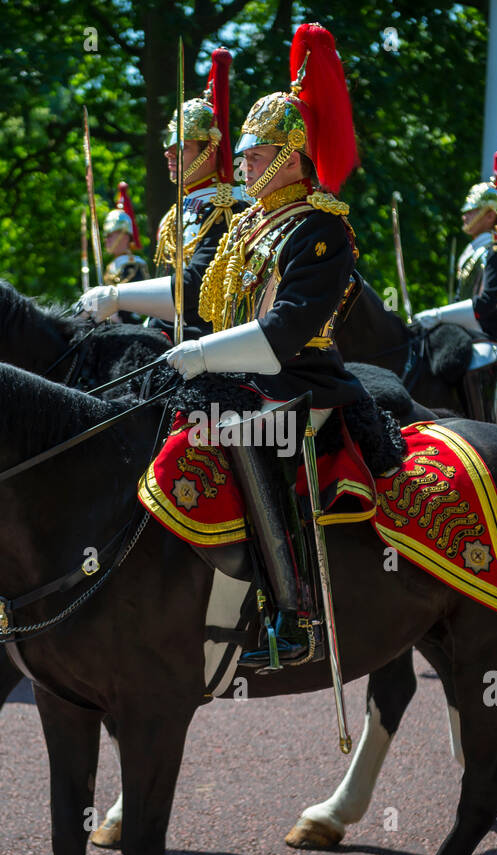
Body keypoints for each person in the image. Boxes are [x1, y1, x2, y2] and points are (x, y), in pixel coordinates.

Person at [138, 24, 367, 667]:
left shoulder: (322, 229)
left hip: (303, 380)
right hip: (250, 374)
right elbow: (206, 305)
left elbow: (287, 329)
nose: (243, 167)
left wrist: (204, 356)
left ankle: (292, 614)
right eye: (242, 156)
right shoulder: (247, 225)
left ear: (292, 157)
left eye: (256, 158)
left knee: (241, 433)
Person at [80, 48, 250, 339]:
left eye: (181, 147)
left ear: (210, 150)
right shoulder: (178, 212)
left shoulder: (228, 207)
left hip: (207, 339)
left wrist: (119, 296)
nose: (168, 153)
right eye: (170, 145)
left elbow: (197, 290)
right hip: (165, 332)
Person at [411, 152, 497, 422]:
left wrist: (437, 315)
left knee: (478, 362)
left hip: (490, 333)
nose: (464, 215)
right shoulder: (473, 251)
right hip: (467, 330)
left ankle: (484, 426)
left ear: (489, 215)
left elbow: (485, 303)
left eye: (471, 210)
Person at [99, 183, 150, 323]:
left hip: (129, 324)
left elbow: (129, 304)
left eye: (111, 235)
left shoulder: (133, 264)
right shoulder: (113, 265)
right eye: (106, 235)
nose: (106, 239)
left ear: (125, 236)